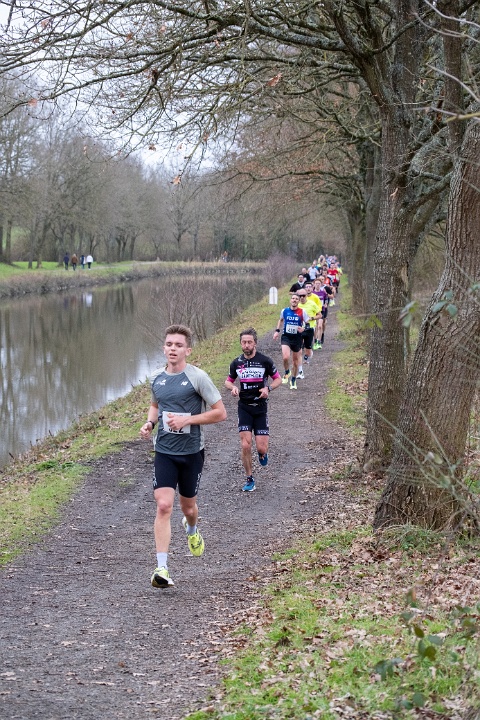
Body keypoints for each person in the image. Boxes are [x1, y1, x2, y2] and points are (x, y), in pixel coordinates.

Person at [140, 324, 227, 589]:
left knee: (188, 508)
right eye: (169, 344)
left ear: (187, 350)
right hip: (164, 452)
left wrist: (188, 419)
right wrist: (150, 423)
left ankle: (191, 529)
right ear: (163, 348)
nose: (173, 349)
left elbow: (220, 413)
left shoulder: (198, 378)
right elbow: (155, 405)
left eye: (178, 345)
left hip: (191, 453)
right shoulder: (156, 378)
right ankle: (161, 568)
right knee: (163, 505)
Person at [225, 328, 282, 492]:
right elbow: (228, 381)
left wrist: (268, 389)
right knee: (245, 445)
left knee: (261, 447)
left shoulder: (265, 361)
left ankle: (262, 453)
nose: (246, 345)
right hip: (244, 407)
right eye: (244, 342)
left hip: (260, 408)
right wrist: (233, 387)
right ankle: (249, 479)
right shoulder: (236, 363)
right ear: (240, 344)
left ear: (255, 343)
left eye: (249, 342)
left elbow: (278, 379)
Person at [273, 293, 309, 390]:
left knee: (295, 362)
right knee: (285, 357)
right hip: (286, 337)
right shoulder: (284, 311)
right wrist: (277, 331)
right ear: (290, 300)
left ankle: (293, 379)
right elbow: (280, 320)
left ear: (298, 301)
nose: (294, 300)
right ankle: (287, 372)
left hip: (297, 338)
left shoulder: (302, 312)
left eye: (296, 299)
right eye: (293, 298)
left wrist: (303, 328)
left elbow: (308, 324)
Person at [297, 285, 322, 376]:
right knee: (299, 350)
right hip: (299, 329)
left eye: (303, 295)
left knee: (307, 350)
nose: (302, 297)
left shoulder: (312, 304)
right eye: (300, 296)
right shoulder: (296, 304)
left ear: (306, 296)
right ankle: (300, 371)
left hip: (309, 328)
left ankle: (309, 353)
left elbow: (320, 315)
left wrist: (311, 318)